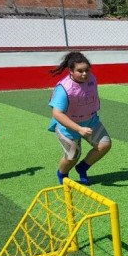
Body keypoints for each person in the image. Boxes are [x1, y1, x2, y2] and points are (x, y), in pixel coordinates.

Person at [48, 52, 111, 186]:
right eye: (80, 71)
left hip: (90, 121)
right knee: (72, 156)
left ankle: (82, 167)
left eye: (87, 70)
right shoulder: (64, 88)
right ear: (71, 71)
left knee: (104, 145)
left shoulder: (91, 78)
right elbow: (57, 114)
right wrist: (78, 128)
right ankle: (63, 174)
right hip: (68, 126)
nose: (84, 74)